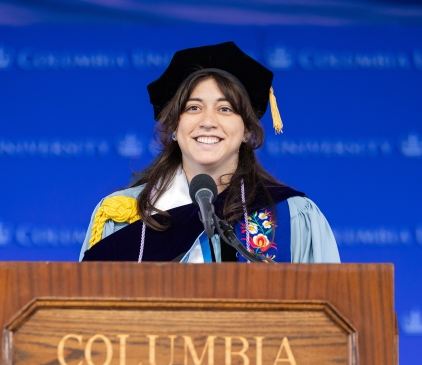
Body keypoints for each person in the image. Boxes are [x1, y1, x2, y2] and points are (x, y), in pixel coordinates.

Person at [80, 41, 340, 263]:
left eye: (225, 109)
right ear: (174, 127)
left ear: (247, 130)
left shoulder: (292, 214)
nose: (208, 121)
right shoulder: (123, 214)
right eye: (193, 108)